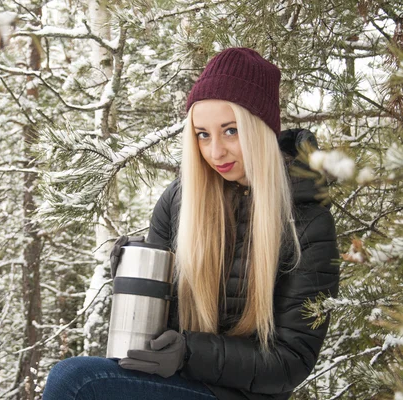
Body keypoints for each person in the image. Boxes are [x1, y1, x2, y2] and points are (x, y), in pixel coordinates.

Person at [42, 47, 340, 400]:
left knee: (76, 381)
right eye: (203, 134)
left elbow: (292, 362)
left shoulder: (306, 221)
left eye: (230, 131)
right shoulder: (182, 201)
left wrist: (189, 353)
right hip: (181, 382)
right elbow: (157, 327)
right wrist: (136, 280)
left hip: (239, 395)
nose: (215, 152)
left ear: (260, 129)